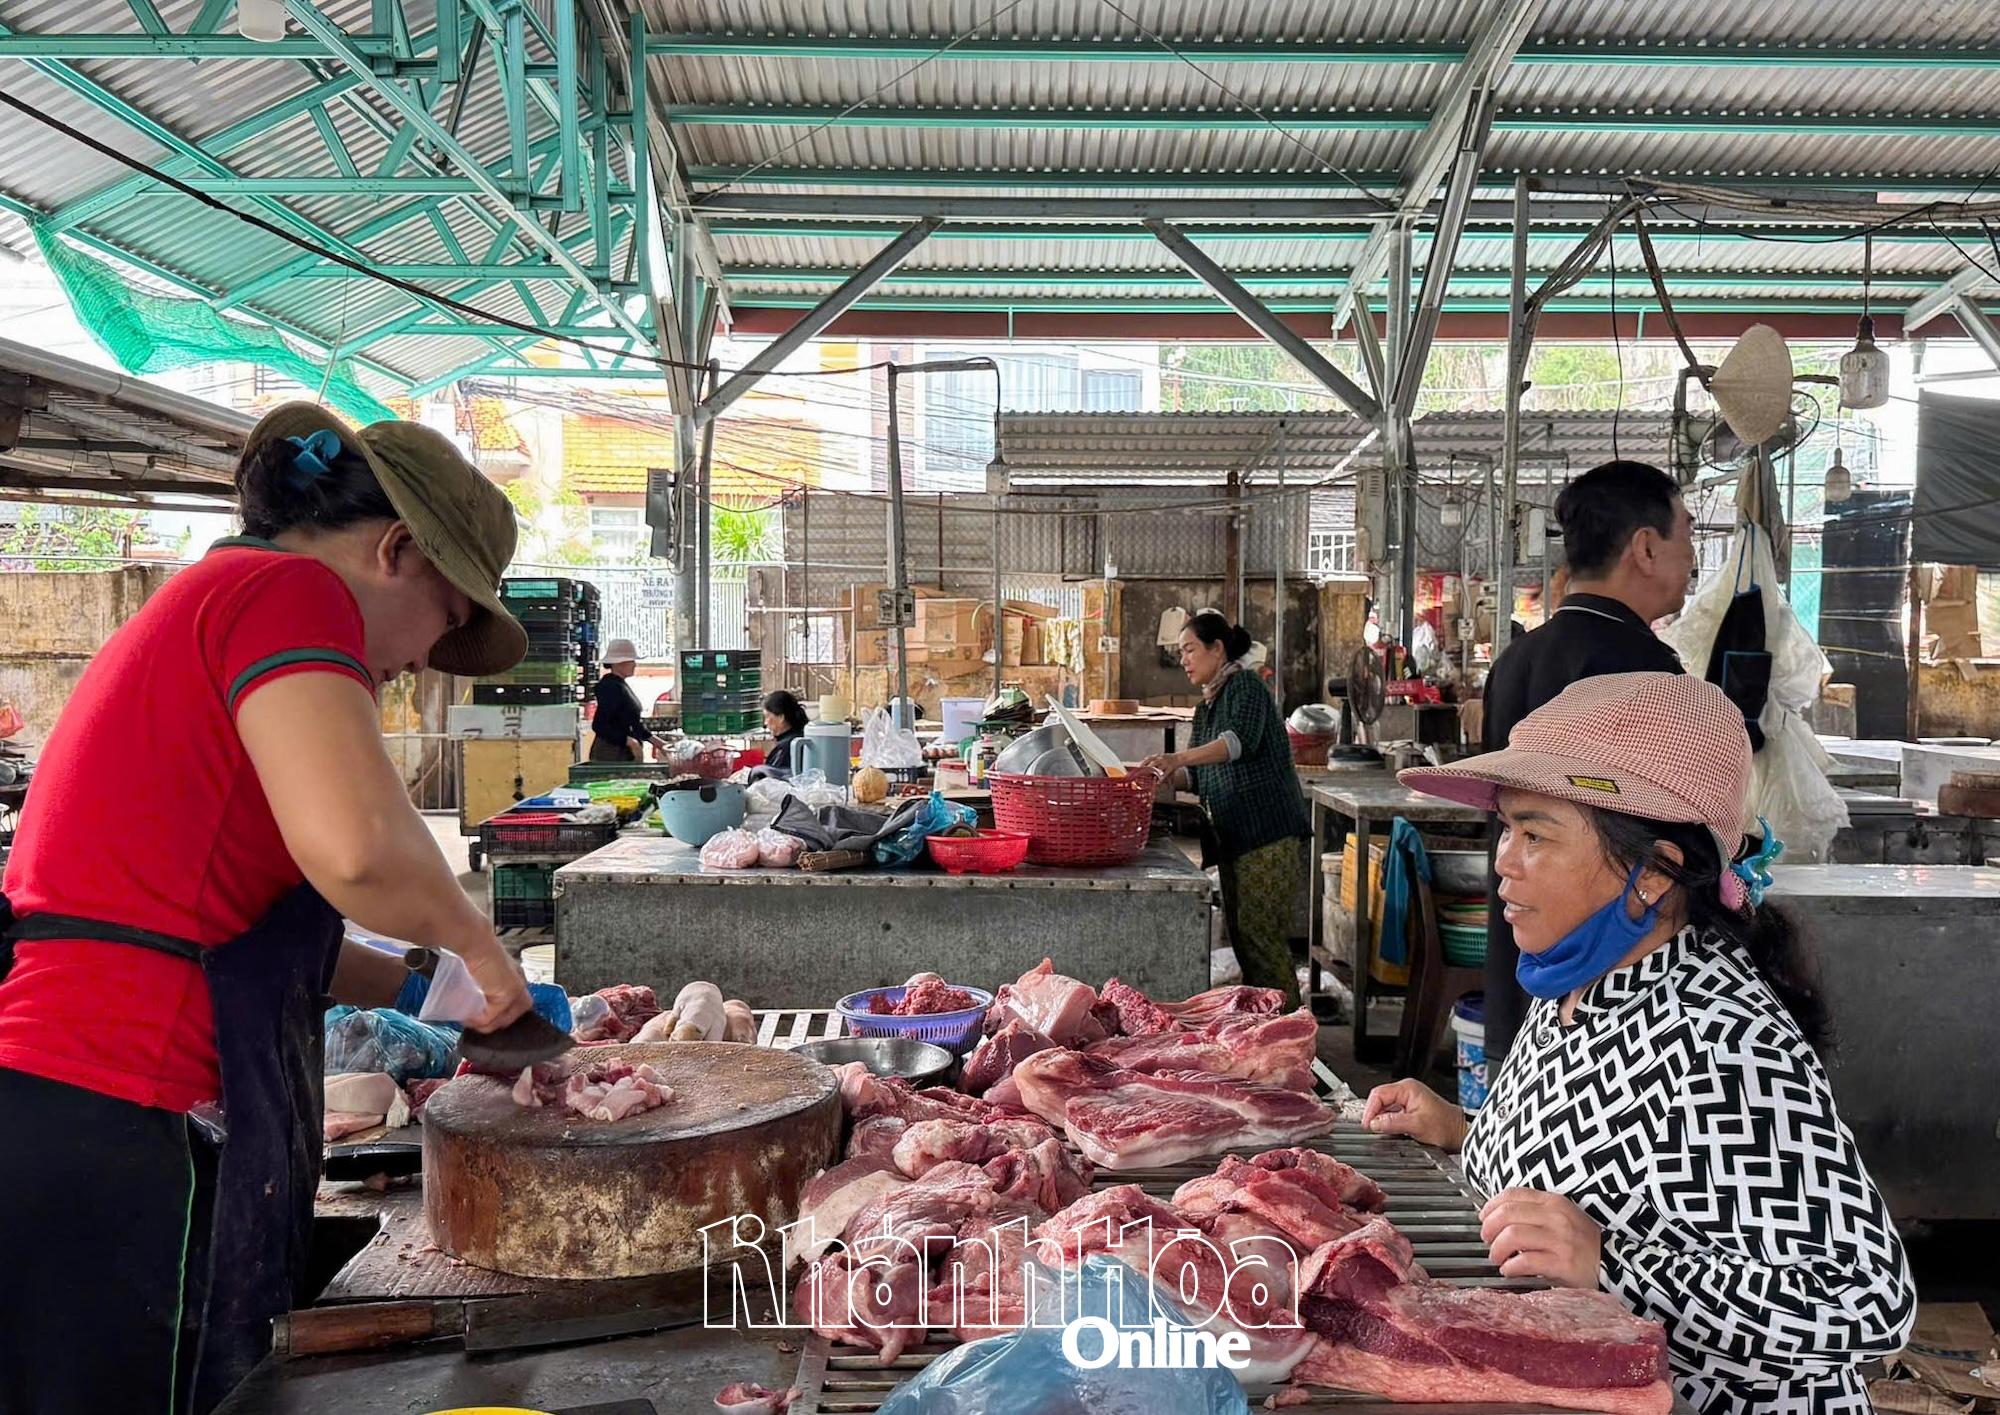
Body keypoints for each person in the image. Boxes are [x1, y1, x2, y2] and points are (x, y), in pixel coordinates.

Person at [0, 403, 535, 1415]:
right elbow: (359, 849)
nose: (424, 659)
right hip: (108, 1112)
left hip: (65, 1111)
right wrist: (478, 943)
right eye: (451, 616)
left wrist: (433, 988)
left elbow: (239, 925)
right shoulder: (284, 590)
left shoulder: (216, 601)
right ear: (398, 550)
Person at [1365, 673, 1915, 1414]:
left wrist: (1613, 1267)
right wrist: (1466, 1133)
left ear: (1652, 874)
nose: (1503, 859)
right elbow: (1605, 1174)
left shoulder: (1722, 1040)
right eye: (1505, 828)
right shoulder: (1582, 979)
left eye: (1535, 833)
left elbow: (1868, 1300)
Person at [1480, 459, 1696, 1068]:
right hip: (1606, 997)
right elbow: (1654, 839)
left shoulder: (1517, 661)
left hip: (1527, 960)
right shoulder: (1648, 673)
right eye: (1687, 534)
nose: (1691, 557)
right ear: (1646, 547)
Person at [1142, 612, 1308, 1007]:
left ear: (1217, 649)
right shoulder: (1206, 707)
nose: (1184, 660)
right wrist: (1156, 779)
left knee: (1261, 940)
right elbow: (1198, 779)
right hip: (1236, 839)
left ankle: (1291, 1032)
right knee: (1246, 940)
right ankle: (1265, 1029)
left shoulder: (1246, 687)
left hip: (1267, 834)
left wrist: (1178, 757)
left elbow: (1237, 745)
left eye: (1190, 650)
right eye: (1180, 652)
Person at [590, 637, 656, 763]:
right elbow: (600, 726)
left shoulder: (621, 685)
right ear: (619, 663)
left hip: (624, 753)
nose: (634, 664)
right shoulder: (609, 686)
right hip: (611, 754)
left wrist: (658, 743)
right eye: (631, 661)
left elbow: (634, 723)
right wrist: (629, 741)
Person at [762, 690, 810, 774]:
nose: (765, 723)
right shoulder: (801, 735)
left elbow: (771, 779)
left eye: (767, 716)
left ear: (781, 717)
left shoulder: (787, 747)